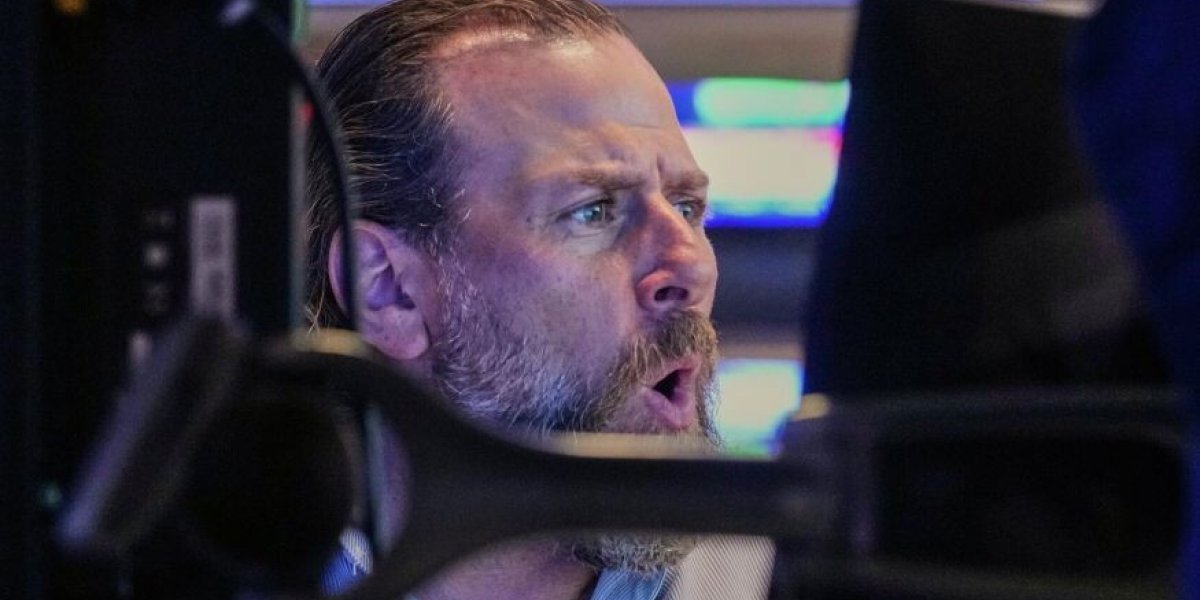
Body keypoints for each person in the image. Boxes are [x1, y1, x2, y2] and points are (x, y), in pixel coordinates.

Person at [305, 0, 773, 599]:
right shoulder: (217, 574)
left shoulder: (782, 580)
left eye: (687, 208)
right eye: (592, 211)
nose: (691, 267)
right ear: (388, 289)